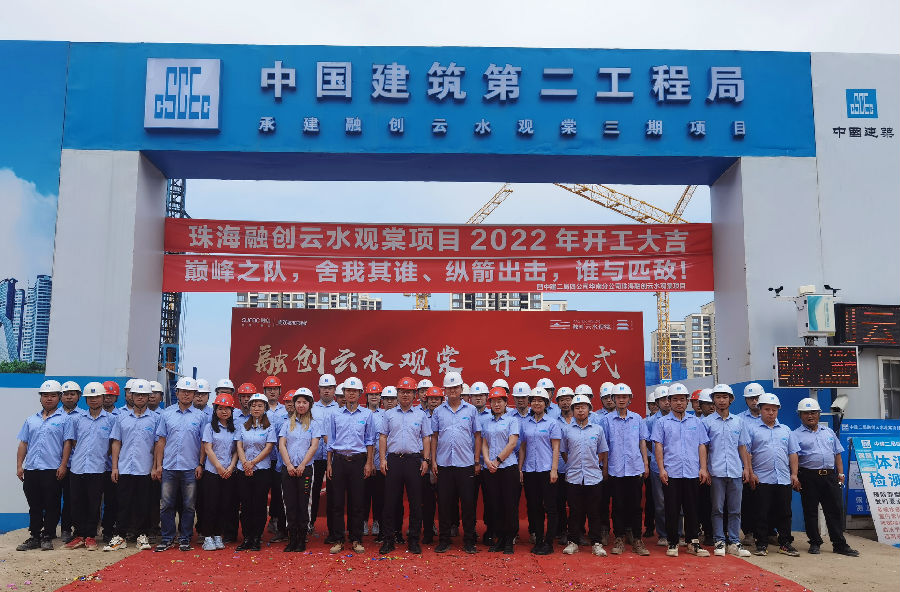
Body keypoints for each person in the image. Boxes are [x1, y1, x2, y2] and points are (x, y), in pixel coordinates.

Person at [794, 398, 859, 557]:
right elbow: (793, 457)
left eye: (813, 412)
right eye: (806, 413)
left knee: (834, 510)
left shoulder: (829, 432)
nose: (810, 416)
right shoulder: (795, 435)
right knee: (810, 511)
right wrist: (795, 476)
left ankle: (839, 544)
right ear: (800, 415)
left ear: (819, 414)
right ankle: (815, 542)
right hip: (808, 476)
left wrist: (841, 474)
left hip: (830, 477)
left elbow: (837, 454)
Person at [652, 382, 711, 558]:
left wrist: (703, 468)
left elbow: (702, 445)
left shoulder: (696, 422)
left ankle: (693, 542)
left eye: (682, 399)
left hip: (692, 471)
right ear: (669, 401)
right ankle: (673, 542)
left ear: (687, 402)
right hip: (672, 472)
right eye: (675, 399)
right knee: (671, 509)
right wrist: (661, 469)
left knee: (692, 508)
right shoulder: (662, 423)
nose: (679, 403)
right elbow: (658, 446)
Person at [377, 382, 433, 555]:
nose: (405, 395)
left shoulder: (420, 415)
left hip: (413, 461)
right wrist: (382, 459)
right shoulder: (389, 414)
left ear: (414, 395)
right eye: (402, 392)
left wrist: (426, 460)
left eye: (409, 392)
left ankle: (414, 540)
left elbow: (426, 438)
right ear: (397, 394)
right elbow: (383, 437)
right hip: (393, 460)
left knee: (416, 502)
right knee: (390, 502)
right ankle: (388, 540)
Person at [15, 380, 70, 552]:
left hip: (52, 469)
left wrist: (63, 465)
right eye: (45, 395)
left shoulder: (65, 419)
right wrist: (19, 466)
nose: (49, 399)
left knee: (52, 504)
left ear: (59, 398)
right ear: (41, 398)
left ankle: (48, 535)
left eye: (53, 395)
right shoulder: (31, 420)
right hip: (32, 469)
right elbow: (23, 443)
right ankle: (35, 536)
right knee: (35, 505)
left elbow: (67, 444)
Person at [153, 376, 204, 552]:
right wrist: (158, 465)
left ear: (194, 394)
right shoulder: (166, 414)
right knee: (166, 505)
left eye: (190, 392)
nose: (186, 395)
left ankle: (185, 538)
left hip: (190, 467)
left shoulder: (200, 416)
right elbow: (161, 441)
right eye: (183, 391)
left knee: (189, 506)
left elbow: (204, 443)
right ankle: (167, 538)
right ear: (177, 393)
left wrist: (200, 464)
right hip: (169, 467)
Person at [431, 372, 480, 554]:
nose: (452, 390)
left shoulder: (471, 410)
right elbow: (434, 437)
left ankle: (469, 540)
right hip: (444, 464)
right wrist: (433, 460)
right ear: (445, 390)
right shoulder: (438, 411)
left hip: (465, 464)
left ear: (461, 388)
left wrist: (476, 460)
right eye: (449, 388)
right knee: (444, 504)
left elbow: (477, 436)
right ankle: (444, 540)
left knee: (468, 504)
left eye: (456, 387)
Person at [326, 376, 375, 554]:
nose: (351, 394)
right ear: (344, 393)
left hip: (358, 462)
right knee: (337, 502)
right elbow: (330, 441)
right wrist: (329, 464)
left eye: (355, 391)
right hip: (339, 461)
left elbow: (370, 441)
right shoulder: (335, 414)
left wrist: (369, 463)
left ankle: (356, 539)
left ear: (360, 394)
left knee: (357, 503)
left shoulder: (367, 415)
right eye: (348, 391)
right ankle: (338, 539)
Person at [63, 382, 115, 552]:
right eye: (90, 397)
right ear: (85, 399)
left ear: (103, 398)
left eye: (97, 397)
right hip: (77, 467)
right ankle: (79, 535)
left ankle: (91, 536)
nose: (93, 400)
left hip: (98, 468)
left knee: (94, 503)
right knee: (76, 502)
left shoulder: (111, 420)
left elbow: (112, 444)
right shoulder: (77, 419)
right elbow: (73, 442)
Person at [747, 393, 801, 557]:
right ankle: (761, 544)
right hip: (761, 478)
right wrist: (751, 473)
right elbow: (747, 454)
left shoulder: (786, 430)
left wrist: (794, 474)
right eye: (767, 409)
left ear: (778, 411)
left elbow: (792, 453)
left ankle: (785, 543)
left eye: (774, 410)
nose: (771, 413)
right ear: (760, 410)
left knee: (785, 513)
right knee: (761, 513)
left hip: (783, 478)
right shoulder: (752, 430)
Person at [107, 379, 158, 552]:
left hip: (145, 468)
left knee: (143, 503)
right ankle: (120, 536)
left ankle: (142, 535)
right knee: (123, 503)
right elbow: (116, 443)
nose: (140, 398)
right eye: (137, 395)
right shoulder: (121, 418)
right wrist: (115, 467)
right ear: (131, 396)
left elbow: (158, 445)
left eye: (144, 395)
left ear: (148, 397)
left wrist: (155, 467)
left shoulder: (155, 419)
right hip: (125, 468)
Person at [702, 384, 752, 558]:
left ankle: (734, 542)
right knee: (717, 509)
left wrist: (746, 468)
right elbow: (703, 448)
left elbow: (742, 447)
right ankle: (719, 541)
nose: (721, 400)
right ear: (713, 400)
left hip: (735, 471)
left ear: (731, 400)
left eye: (725, 397)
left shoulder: (739, 422)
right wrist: (704, 469)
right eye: (718, 397)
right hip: (716, 472)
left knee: (735, 509)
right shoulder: (706, 422)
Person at [601, 383, 651, 556]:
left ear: (630, 399)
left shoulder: (637, 419)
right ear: (613, 399)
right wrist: (605, 468)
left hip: (635, 468)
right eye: (618, 397)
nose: (621, 400)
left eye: (624, 397)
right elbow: (604, 447)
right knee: (618, 506)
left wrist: (645, 464)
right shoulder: (606, 420)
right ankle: (619, 538)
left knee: (636, 506)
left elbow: (642, 442)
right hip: (615, 469)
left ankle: (637, 539)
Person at [560, 394, 609, 557]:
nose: (580, 410)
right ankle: (573, 542)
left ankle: (596, 543)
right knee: (575, 511)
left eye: (583, 407)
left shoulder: (597, 429)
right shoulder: (567, 430)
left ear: (589, 409)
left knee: (594, 512)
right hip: (573, 477)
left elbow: (602, 451)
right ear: (573, 410)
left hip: (593, 477)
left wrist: (594, 464)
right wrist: (572, 464)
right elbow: (564, 451)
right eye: (577, 407)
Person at [518, 387, 561, 555]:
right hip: (530, 470)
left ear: (546, 403)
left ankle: (549, 542)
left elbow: (556, 448)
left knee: (550, 507)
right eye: (534, 400)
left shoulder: (552, 423)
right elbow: (523, 447)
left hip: (546, 470)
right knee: (534, 507)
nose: (537, 403)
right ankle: (539, 540)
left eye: (540, 400)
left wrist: (554, 470)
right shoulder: (526, 424)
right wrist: (520, 468)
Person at [279, 388, 323, 552]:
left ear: (310, 404)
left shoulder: (314, 424)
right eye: (298, 402)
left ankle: (302, 538)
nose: (301, 405)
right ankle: (292, 538)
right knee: (289, 504)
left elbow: (314, 446)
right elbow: (282, 445)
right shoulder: (286, 424)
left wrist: (303, 464)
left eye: (304, 402)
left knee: (304, 504)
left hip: (305, 469)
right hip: (288, 469)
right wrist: (289, 465)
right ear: (294, 404)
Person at [235, 391, 277, 551]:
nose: (256, 408)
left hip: (262, 471)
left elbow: (268, 448)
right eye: (253, 405)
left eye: (260, 406)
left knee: (259, 505)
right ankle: (246, 537)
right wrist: (245, 463)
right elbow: (239, 445)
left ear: (265, 408)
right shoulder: (242, 426)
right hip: (243, 470)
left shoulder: (269, 427)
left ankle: (256, 538)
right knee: (245, 505)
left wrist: (253, 462)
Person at [481, 386, 520, 554]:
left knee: (509, 505)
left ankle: (509, 540)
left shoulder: (512, 420)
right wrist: (487, 461)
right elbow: (484, 443)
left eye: (500, 401)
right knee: (494, 505)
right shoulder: (487, 422)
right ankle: (500, 539)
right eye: (493, 402)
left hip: (507, 468)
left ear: (506, 403)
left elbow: (512, 443)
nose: (496, 404)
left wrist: (497, 461)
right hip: (490, 469)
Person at [199, 391, 238, 552]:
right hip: (212, 472)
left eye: (227, 408)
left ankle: (217, 535)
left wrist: (231, 467)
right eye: (220, 408)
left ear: (232, 411)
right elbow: (208, 448)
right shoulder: (210, 427)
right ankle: (207, 537)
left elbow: (236, 451)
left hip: (228, 472)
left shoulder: (235, 429)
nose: (224, 411)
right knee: (210, 505)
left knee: (224, 505)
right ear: (215, 410)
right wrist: (219, 467)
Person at [311, 373, 339, 543]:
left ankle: (333, 530)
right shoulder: (311, 408)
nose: (326, 391)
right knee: (312, 492)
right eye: (323, 388)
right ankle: (309, 524)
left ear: (334, 390)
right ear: (319, 389)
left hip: (333, 459)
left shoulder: (339, 409)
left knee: (333, 494)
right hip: (313, 457)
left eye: (329, 388)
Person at [260, 375, 288, 542]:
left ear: (279, 391)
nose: (272, 392)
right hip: (261, 458)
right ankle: (260, 523)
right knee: (262, 491)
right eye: (269, 389)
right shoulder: (259, 408)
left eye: (275, 389)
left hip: (279, 458)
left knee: (278, 491)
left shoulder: (286, 410)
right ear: (264, 391)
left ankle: (275, 520)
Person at [645, 385, 672, 546]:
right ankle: (663, 534)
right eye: (663, 400)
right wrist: (658, 456)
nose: (666, 402)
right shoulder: (650, 421)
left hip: (676, 466)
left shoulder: (679, 418)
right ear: (657, 402)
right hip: (657, 467)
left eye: (668, 399)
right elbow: (648, 442)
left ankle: (678, 533)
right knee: (660, 503)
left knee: (677, 503)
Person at [739, 382, 764, 547]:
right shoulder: (740, 419)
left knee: (766, 502)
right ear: (746, 400)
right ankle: (748, 532)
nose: (754, 401)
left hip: (765, 468)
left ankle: (767, 532)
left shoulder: (769, 416)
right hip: (746, 468)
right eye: (750, 398)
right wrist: (747, 468)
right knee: (747, 502)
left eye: (756, 398)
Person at [59, 380, 84, 544]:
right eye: (66, 394)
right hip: (54, 465)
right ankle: (49, 529)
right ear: (61, 396)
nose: (69, 397)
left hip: (74, 465)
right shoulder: (54, 415)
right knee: (53, 499)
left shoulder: (83, 416)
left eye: (72, 394)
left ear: (79, 396)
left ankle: (69, 529)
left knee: (72, 499)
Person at [469, 382, 493, 545]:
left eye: (482, 395)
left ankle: (490, 531)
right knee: (469, 500)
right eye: (475, 396)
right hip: (468, 464)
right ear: (470, 398)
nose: (478, 398)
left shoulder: (492, 415)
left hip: (488, 466)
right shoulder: (467, 413)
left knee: (490, 500)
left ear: (486, 397)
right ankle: (470, 532)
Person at [100, 380, 122, 543]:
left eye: (111, 396)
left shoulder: (120, 416)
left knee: (111, 501)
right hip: (94, 467)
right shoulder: (89, 416)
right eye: (105, 395)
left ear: (116, 398)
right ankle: (87, 531)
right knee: (91, 501)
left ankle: (108, 530)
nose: (108, 398)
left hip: (112, 467)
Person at [553, 386, 575, 545]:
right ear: (558, 403)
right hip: (560, 468)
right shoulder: (554, 421)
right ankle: (562, 531)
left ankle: (577, 531)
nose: (565, 403)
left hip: (577, 468)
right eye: (562, 400)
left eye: (568, 399)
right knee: (559, 502)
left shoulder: (581, 419)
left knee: (576, 503)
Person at [363, 381, 384, 539]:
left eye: (377, 394)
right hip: (363, 460)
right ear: (367, 396)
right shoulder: (362, 413)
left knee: (379, 494)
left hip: (380, 460)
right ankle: (363, 521)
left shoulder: (384, 414)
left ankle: (377, 521)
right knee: (363, 493)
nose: (374, 397)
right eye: (371, 394)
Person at [642, 390, 657, 538]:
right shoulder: (645, 421)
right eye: (651, 404)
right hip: (651, 460)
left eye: (656, 403)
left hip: (667, 463)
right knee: (651, 497)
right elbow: (645, 442)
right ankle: (649, 526)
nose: (654, 406)